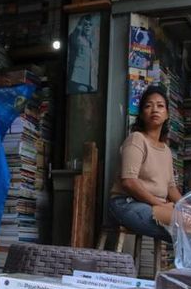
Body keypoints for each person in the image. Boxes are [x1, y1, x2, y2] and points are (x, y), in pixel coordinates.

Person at [109, 85, 181, 241]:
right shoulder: (136, 139)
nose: (155, 109)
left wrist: (188, 208)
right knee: (185, 227)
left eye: (160, 106)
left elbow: (171, 188)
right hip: (128, 203)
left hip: (154, 206)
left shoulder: (166, 151)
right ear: (141, 114)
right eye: (148, 106)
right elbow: (129, 182)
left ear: (167, 114)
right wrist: (161, 205)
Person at [68, 14, 95, 93]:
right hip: (79, 79)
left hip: (89, 81)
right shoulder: (78, 39)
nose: (88, 27)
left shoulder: (90, 42)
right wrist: (79, 25)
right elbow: (73, 36)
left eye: (90, 25)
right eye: (85, 24)